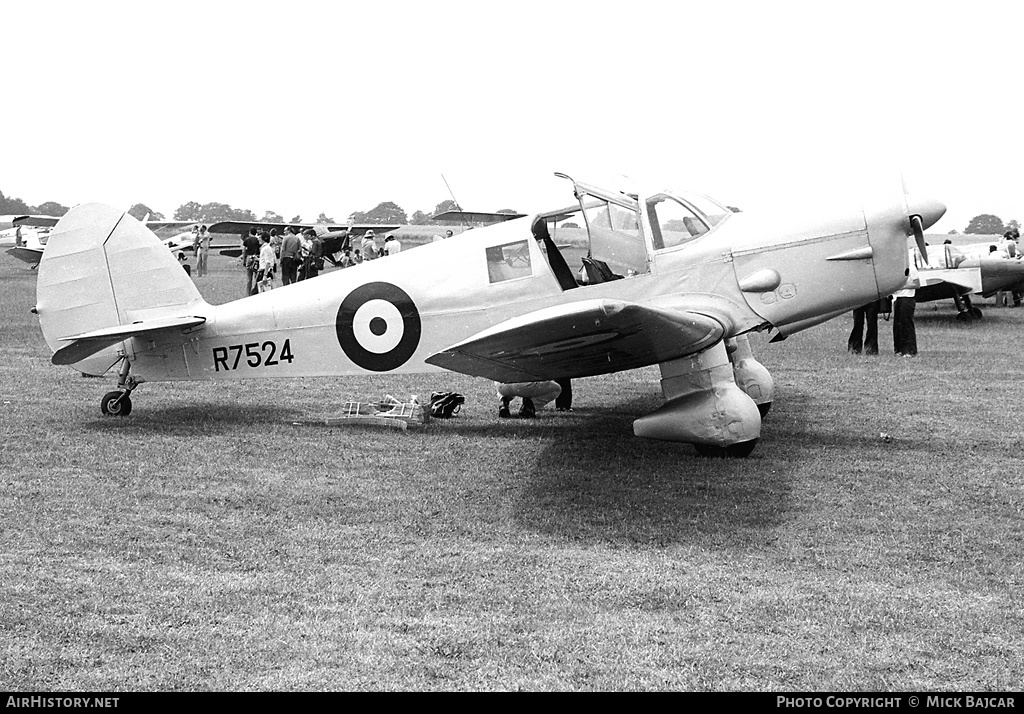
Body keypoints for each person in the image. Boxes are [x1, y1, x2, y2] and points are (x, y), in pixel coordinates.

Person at [496, 381, 562, 419]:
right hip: (524, 385)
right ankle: (529, 406)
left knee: (505, 383)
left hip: (502, 384)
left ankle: (503, 402)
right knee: (557, 388)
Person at [893, 264, 919, 357]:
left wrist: (901, 287)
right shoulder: (895, 268)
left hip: (907, 298)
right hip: (897, 298)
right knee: (898, 325)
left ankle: (910, 350)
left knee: (906, 324)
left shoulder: (911, 267)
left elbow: (916, 284)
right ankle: (899, 349)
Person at [242, 228, 261, 296]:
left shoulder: (247, 240)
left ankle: (248, 293)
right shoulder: (258, 240)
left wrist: (244, 260)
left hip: (249, 258)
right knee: (257, 276)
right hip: (256, 258)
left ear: (250, 232)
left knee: (249, 278)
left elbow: (243, 250)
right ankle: (256, 291)